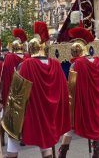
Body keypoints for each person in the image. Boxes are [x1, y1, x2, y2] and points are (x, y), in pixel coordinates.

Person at [4, 22, 70, 158]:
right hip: (49, 112)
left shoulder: (26, 65)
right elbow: (64, 89)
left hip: (31, 112)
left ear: (30, 49)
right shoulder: (56, 65)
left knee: (12, 140)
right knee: (45, 145)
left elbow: (17, 93)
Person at [58, 26, 99, 158]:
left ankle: (62, 153)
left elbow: (71, 90)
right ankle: (96, 153)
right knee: (97, 127)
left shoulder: (76, 64)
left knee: (70, 128)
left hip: (82, 103)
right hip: (97, 104)